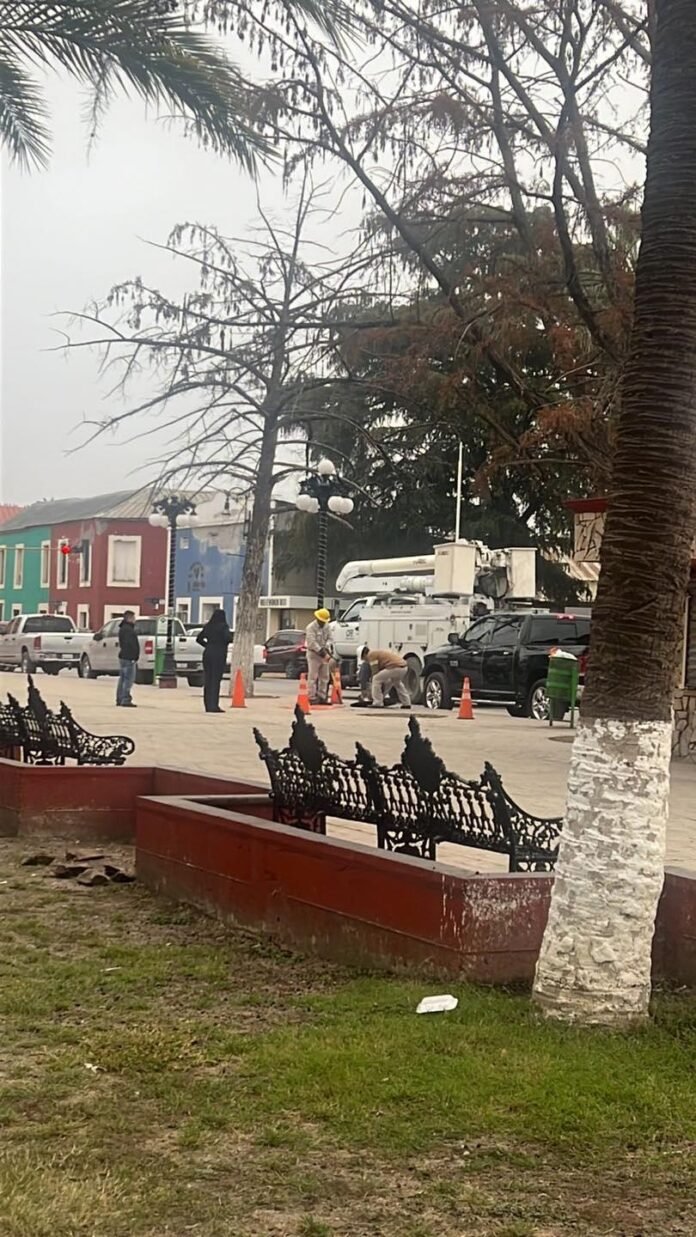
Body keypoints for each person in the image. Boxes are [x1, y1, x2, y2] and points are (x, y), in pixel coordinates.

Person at [196, 608, 232, 713]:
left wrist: (208, 645)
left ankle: (207, 705)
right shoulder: (223, 626)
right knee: (215, 680)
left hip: (208, 653)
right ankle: (214, 705)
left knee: (208, 679)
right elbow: (228, 638)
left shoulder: (208, 626)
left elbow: (199, 639)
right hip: (219, 654)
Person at [305, 607, 333, 703]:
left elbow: (330, 638)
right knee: (313, 677)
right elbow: (312, 642)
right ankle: (311, 697)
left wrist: (327, 647)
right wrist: (322, 652)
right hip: (314, 654)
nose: (323, 623)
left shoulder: (327, 626)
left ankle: (322, 696)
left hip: (325, 654)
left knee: (325, 676)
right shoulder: (311, 627)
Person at [116, 610, 140, 707]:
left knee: (122, 678)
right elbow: (130, 644)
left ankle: (120, 698)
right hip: (129, 657)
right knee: (128, 679)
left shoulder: (123, 629)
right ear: (129, 618)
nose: (134, 620)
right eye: (133, 618)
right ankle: (125, 699)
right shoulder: (129, 630)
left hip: (123, 656)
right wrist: (134, 655)